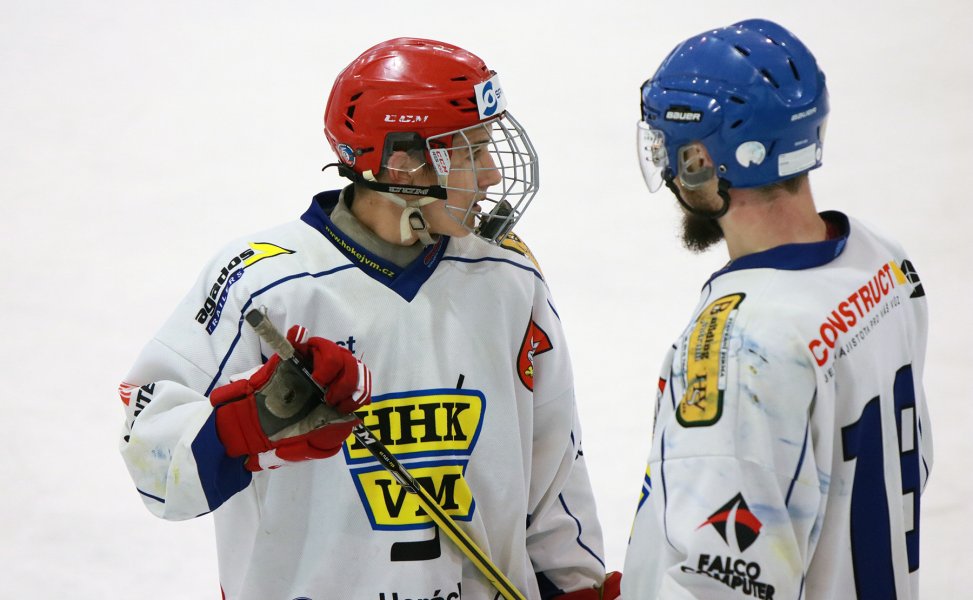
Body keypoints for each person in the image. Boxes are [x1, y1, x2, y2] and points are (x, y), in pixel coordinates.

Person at [118, 37, 620, 600]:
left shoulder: (508, 276)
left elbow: (553, 463)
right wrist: (252, 420)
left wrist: (576, 587)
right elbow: (153, 465)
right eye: (470, 152)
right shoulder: (264, 284)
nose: (492, 177)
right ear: (401, 162)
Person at [623, 19, 932, 600]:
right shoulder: (883, 263)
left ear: (700, 159)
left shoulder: (744, 347)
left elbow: (726, 583)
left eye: (671, 147)